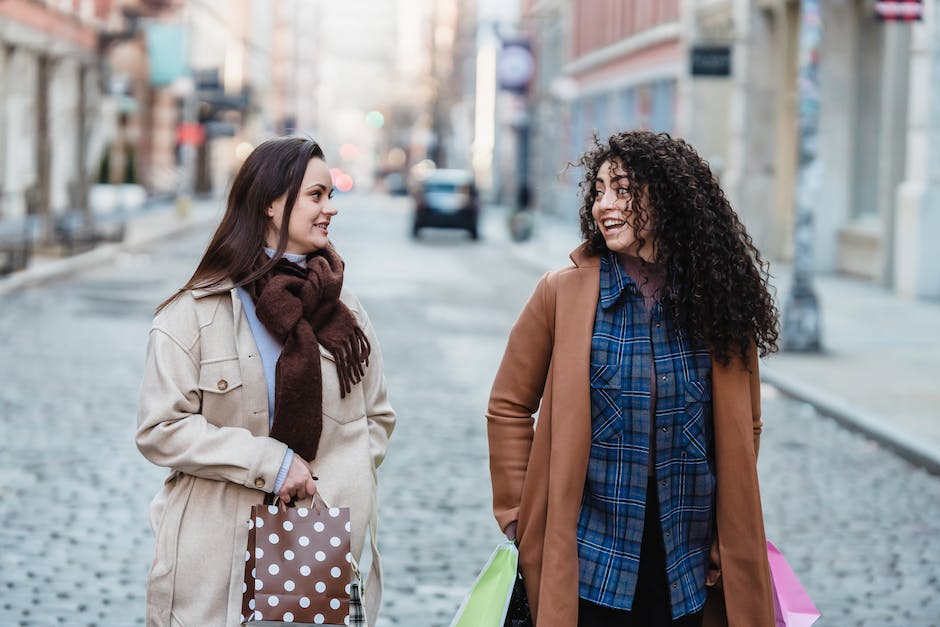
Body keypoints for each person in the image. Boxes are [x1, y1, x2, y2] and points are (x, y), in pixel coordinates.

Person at [486, 130, 779, 627]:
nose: (605, 205)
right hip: (588, 557)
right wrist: (518, 515)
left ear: (667, 199)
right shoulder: (562, 293)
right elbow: (509, 405)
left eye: (623, 190)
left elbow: (744, 424)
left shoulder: (717, 299)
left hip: (685, 559)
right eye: (598, 191)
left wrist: (725, 531)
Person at [136, 136, 396, 627]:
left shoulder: (346, 315)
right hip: (214, 558)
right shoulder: (194, 314)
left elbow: (376, 417)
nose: (330, 209)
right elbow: (161, 428)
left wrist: (338, 484)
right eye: (316, 196)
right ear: (271, 205)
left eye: (330, 197)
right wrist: (270, 465)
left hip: (316, 547)